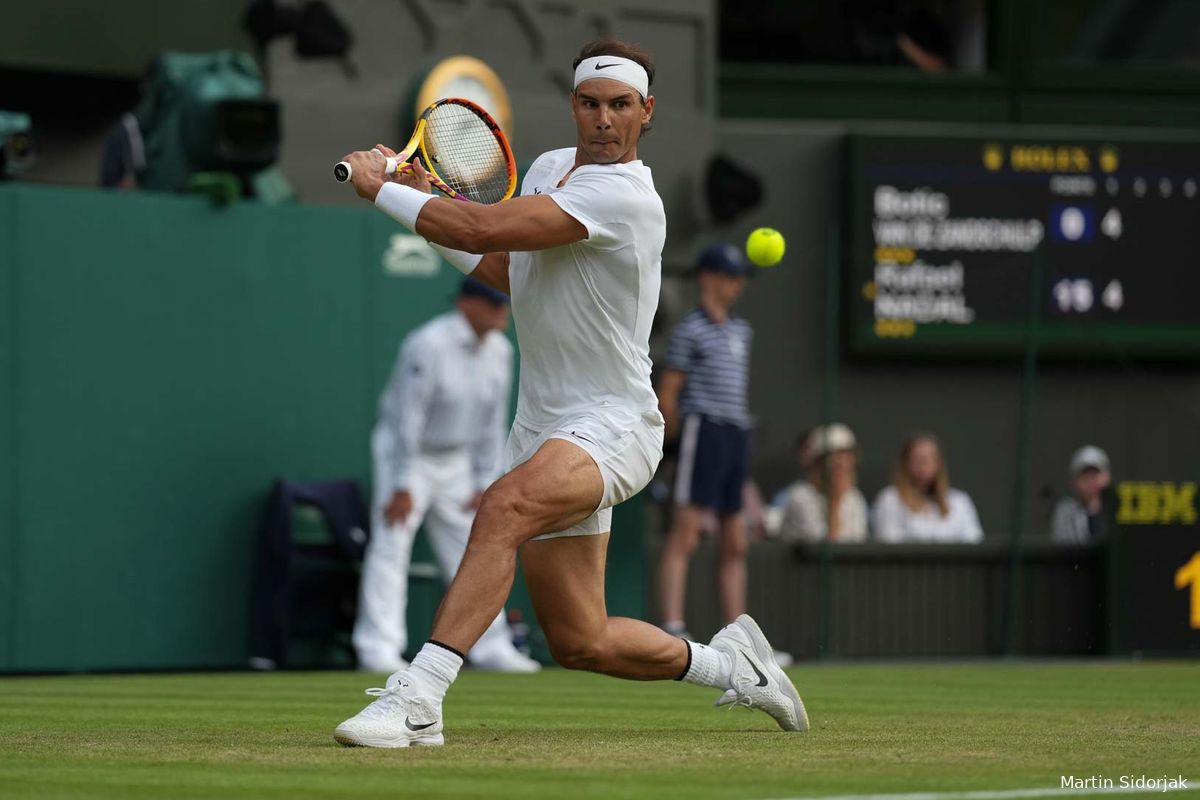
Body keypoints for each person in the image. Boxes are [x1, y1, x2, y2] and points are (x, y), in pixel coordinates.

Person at [332, 37, 807, 747]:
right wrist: (419, 198)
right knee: (579, 640)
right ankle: (733, 666)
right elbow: (500, 265)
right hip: (546, 424)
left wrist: (388, 191)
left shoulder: (627, 199)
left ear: (647, 112)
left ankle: (417, 699)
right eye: (591, 104)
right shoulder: (553, 169)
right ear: (574, 107)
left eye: (620, 106)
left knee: (504, 505)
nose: (604, 120)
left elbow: (480, 222)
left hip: (616, 426)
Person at [353, 277, 539, 674]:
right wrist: (402, 483)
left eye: (504, 305)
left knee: (477, 549)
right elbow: (408, 417)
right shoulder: (428, 344)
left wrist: (481, 482)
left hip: (458, 462)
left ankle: (491, 646)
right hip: (409, 458)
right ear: (468, 304)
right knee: (392, 545)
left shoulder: (501, 352)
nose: (503, 312)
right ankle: (378, 647)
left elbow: (492, 422)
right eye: (494, 304)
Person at [655, 243, 756, 640]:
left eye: (739, 277)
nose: (737, 285)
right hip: (703, 430)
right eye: (730, 276)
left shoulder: (743, 331)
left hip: (735, 432)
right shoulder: (689, 331)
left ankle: (739, 637)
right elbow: (668, 393)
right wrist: (675, 442)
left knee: (736, 541)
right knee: (687, 532)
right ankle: (674, 629)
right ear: (707, 278)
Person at [873, 433, 983, 543]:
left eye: (930, 459)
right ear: (905, 463)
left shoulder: (959, 501)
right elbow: (889, 543)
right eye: (917, 459)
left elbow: (973, 541)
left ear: (939, 464)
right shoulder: (890, 499)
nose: (923, 466)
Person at [777, 423, 869, 543]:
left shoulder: (855, 498)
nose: (843, 465)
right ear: (817, 464)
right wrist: (835, 502)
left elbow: (856, 549)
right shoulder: (800, 497)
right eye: (836, 459)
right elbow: (824, 552)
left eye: (847, 459)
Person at [1050, 446, 1112, 544]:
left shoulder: (1119, 511)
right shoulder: (1066, 512)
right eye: (1085, 476)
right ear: (1074, 482)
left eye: (1095, 475)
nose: (1091, 481)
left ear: (1106, 477)